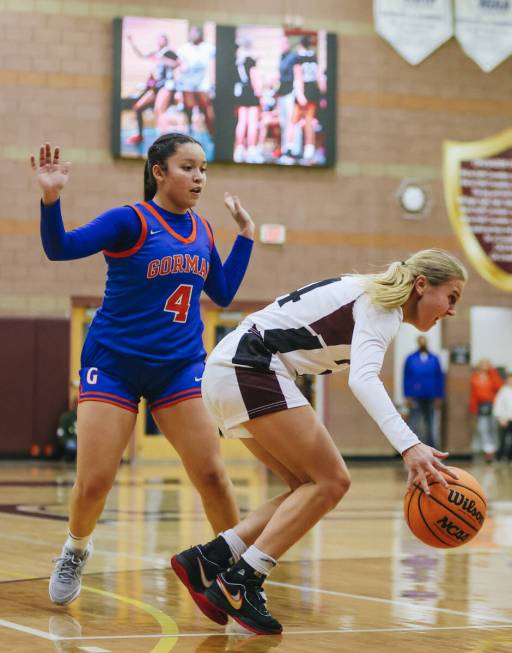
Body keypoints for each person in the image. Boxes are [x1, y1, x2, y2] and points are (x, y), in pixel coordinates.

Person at [171, 248, 466, 634]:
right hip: (251, 366)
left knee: (306, 488)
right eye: (452, 298)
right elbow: (363, 379)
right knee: (333, 481)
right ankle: (242, 580)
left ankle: (210, 559)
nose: (452, 310)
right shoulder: (382, 307)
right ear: (423, 285)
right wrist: (410, 445)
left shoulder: (368, 293)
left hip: (231, 369)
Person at [30, 133, 255, 607]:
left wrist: (247, 238)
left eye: (203, 169)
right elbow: (60, 249)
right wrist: (51, 200)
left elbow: (225, 292)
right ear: (158, 171)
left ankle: (238, 570)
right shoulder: (129, 221)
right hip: (114, 365)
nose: (199, 177)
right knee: (95, 482)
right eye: (187, 167)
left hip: (178, 367)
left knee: (213, 475)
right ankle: (75, 549)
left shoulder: (202, 229)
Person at [124, 33, 179, 144]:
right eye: (158, 39)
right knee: (138, 107)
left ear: (166, 41)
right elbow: (141, 55)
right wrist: (132, 43)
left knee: (159, 110)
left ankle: (165, 141)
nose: (159, 41)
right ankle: (140, 135)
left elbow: (177, 63)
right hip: (156, 86)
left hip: (166, 85)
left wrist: (163, 59)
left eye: (161, 39)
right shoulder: (157, 53)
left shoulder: (169, 52)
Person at [403, 335, 445, 448]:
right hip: (415, 396)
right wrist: (407, 395)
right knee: (413, 423)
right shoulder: (410, 358)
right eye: (420, 342)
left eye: (424, 341)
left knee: (431, 424)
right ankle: (410, 448)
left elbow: (439, 378)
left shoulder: (434, 359)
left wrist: (439, 396)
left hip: (431, 395)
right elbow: (406, 377)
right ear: (418, 343)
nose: (422, 344)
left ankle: (432, 448)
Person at [176, 26, 215, 136]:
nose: (193, 35)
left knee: (206, 110)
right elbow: (179, 65)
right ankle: (190, 133)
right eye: (191, 33)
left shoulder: (208, 48)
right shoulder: (184, 48)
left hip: (203, 86)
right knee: (188, 109)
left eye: (195, 33)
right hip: (187, 86)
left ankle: (212, 134)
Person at [233, 39, 262, 164]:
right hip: (251, 93)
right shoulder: (250, 61)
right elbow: (254, 78)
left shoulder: (237, 61)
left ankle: (239, 149)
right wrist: (260, 95)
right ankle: (251, 150)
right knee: (252, 123)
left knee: (242, 122)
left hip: (241, 93)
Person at [470, 358, 503, 463]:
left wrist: (492, 371)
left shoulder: (492, 375)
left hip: (493, 405)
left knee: (493, 428)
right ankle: (487, 451)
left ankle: (495, 450)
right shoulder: (475, 377)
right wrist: (473, 408)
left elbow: (499, 386)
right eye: (483, 364)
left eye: (487, 364)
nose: (485, 366)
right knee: (482, 428)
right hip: (481, 406)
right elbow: (473, 394)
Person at [492, 372, 512, 462]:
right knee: (502, 440)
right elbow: (498, 405)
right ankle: (499, 458)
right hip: (504, 420)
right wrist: (500, 418)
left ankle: (509, 458)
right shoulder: (503, 391)